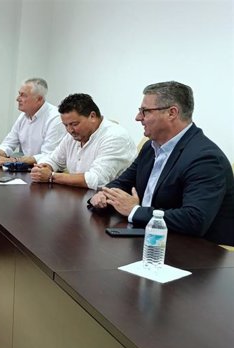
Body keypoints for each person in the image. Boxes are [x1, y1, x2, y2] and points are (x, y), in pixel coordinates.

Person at [89, 81, 234, 245]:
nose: (138, 118)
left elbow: (194, 220)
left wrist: (135, 211)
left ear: (172, 113)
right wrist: (104, 195)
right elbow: (124, 181)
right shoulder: (151, 147)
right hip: (151, 239)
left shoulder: (205, 159)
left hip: (196, 252)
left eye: (145, 111)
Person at [30, 93, 135, 190]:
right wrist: (43, 168)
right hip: (79, 197)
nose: (70, 130)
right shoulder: (73, 136)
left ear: (92, 116)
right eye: (66, 125)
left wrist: (51, 176)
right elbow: (54, 159)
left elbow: (97, 180)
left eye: (74, 124)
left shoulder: (115, 137)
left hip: (109, 203)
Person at [0, 78, 65, 165]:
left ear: (39, 99)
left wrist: (13, 161)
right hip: (25, 167)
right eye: (19, 94)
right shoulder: (23, 116)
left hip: (45, 170)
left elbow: (48, 156)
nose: (17, 99)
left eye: (23, 95)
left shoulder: (55, 118)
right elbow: (8, 143)